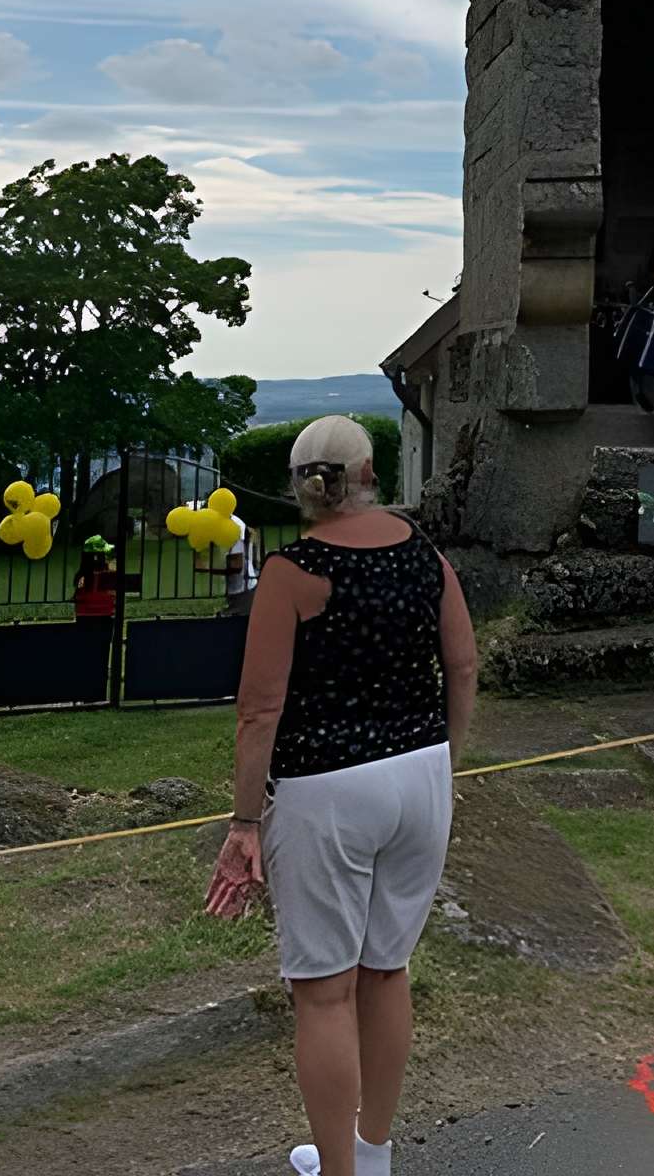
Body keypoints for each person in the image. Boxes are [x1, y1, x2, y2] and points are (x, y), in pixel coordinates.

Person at [205, 416, 479, 1176]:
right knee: (386, 969)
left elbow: (259, 709)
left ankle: (340, 1169)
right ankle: (372, 1150)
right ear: (369, 474)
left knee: (324, 992)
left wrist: (244, 820)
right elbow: (462, 667)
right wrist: (444, 760)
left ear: (303, 485)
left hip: (326, 788)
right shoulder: (427, 557)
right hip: (421, 772)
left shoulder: (293, 574)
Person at [223, 515, 260, 618]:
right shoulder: (231, 521)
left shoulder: (234, 523)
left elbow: (237, 558)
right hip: (242, 585)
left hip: (245, 587)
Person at [73, 537, 117, 621]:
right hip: (105, 614)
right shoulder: (109, 575)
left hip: (84, 615)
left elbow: (78, 596)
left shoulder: (81, 576)